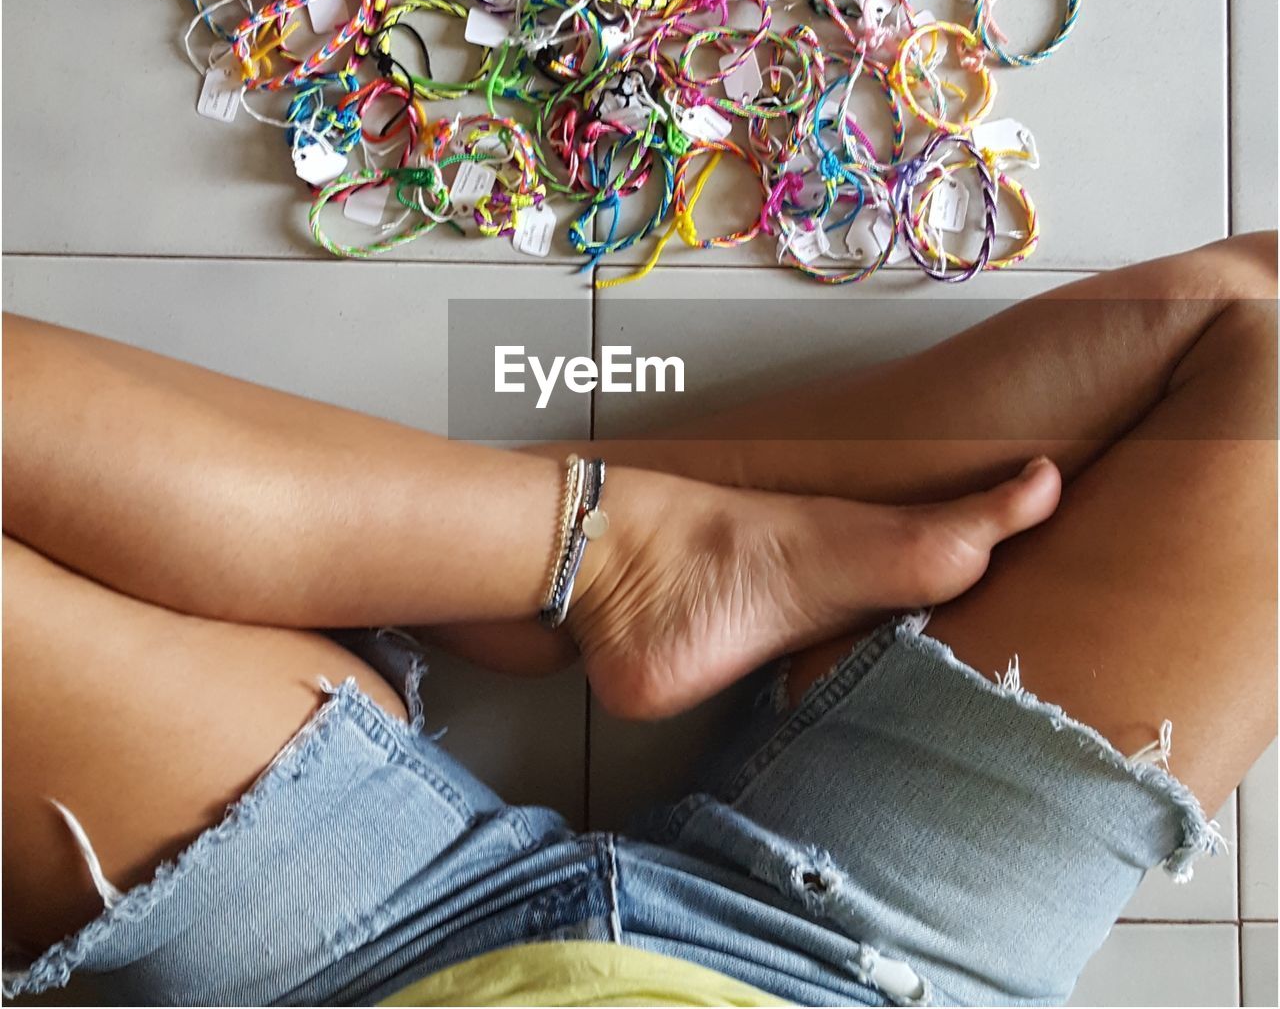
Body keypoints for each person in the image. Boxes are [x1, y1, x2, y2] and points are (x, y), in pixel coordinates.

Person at [3, 231, 1275, 1008]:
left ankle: (586, 542)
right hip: (878, 958)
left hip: (344, 961)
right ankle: (635, 531)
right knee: (1261, 315)